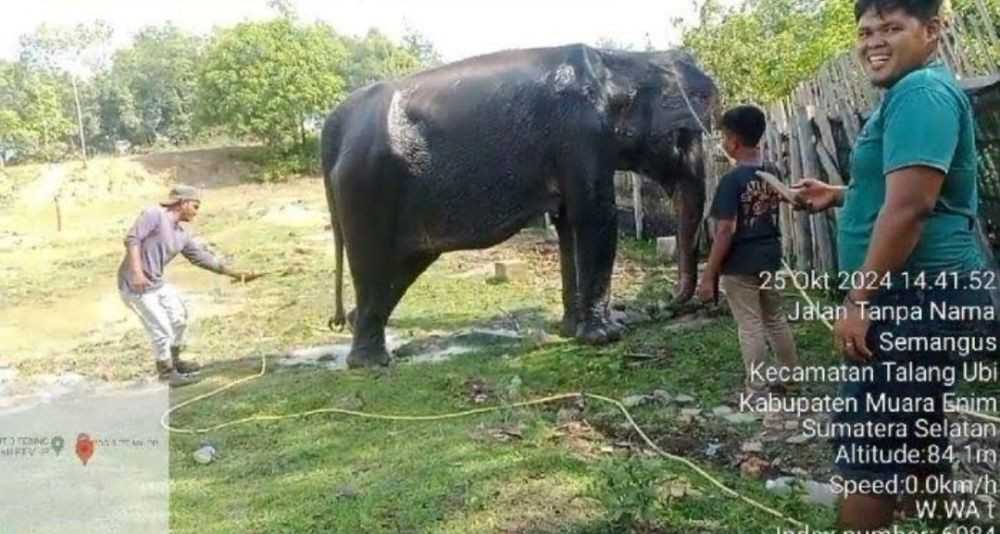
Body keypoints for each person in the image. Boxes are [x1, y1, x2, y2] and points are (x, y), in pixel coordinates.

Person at [793, 0, 994, 530]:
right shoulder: (911, 93)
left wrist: (858, 299)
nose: (873, 41)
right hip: (930, 294)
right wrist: (837, 195)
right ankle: (942, 525)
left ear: (931, 31)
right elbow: (903, 188)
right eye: (865, 31)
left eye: (891, 28)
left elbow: (912, 207)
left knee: (870, 444)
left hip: (916, 298)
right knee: (919, 428)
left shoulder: (921, 93)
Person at [696, 105, 801, 401]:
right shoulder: (773, 172)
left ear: (733, 142)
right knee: (775, 319)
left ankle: (756, 391)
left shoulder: (732, 181)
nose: (723, 143)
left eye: (724, 137)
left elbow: (725, 230)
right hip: (770, 256)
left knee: (751, 325)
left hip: (740, 263)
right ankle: (791, 381)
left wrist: (709, 274)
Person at [118, 184, 253, 387]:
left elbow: (200, 258)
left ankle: (175, 360)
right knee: (161, 328)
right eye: (195, 206)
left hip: (155, 283)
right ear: (183, 202)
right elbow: (132, 239)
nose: (196, 212)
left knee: (179, 318)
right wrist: (137, 273)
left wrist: (236, 273)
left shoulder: (181, 234)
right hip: (135, 285)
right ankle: (165, 372)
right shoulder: (154, 214)